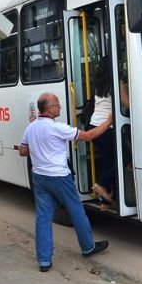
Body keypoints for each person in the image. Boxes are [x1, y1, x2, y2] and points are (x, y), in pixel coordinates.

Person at [19, 92, 112, 272]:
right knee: (77, 211)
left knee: (43, 218)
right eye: (57, 105)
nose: (60, 107)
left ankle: (44, 261)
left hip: (39, 177)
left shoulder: (30, 128)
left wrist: (40, 151)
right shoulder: (57, 128)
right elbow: (88, 136)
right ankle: (88, 247)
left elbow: (23, 151)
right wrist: (108, 122)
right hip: (59, 177)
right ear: (49, 108)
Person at [88, 62, 117, 211]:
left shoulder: (99, 86)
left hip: (94, 128)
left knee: (108, 163)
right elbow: (126, 102)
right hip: (107, 127)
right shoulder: (116, 83)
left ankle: (105, 202)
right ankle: (100, 184)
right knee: (125, 158)